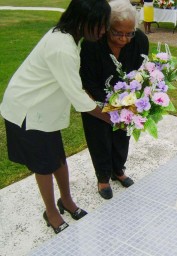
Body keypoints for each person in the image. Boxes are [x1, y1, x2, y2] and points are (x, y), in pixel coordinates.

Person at [0, 0, 111, 234]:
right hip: (27, 111)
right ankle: (51, 212)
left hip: (43, 111)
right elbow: (77, 97)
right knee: (44, 165)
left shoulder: (68, 38)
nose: (103, 31)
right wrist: (112, 117)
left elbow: (74, 85)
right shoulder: (62, 47)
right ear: (84, 20)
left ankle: (66, 201)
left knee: (58, 159)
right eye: (101, 25)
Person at [80, 0, 149, 200]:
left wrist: (128, 102)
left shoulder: (140, 40)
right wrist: (109, 107)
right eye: (118, 33)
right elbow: (88, 81)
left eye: (129, 33)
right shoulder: (93, 43)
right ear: (107, 28)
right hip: (95, 100)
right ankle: (102, 177)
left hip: (127, 99)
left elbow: (140, 73)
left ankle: (118, 170)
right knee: (98, 136)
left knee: (123, 134)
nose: (125, 39)